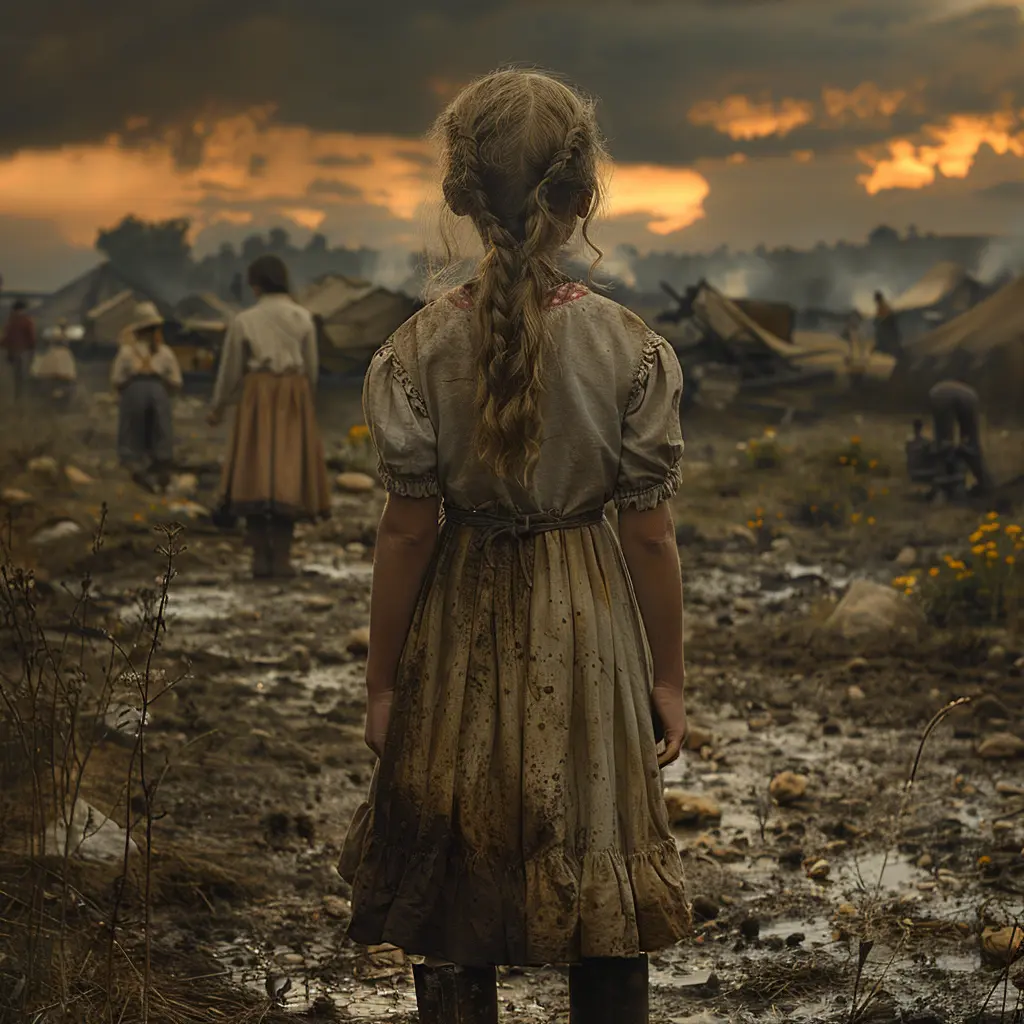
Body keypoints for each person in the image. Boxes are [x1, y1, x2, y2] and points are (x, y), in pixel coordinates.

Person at [338, 69, 691, 1024]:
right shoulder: (630, 348)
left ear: (462, 196)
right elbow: (649, 536)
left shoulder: (415, 351)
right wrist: (667, 678)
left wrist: (382, 686)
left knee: (456, 864)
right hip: (591, 625)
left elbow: (407, 531)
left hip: (461, 619)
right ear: (582, 199)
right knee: (602, 850)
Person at [208, 255, 330, 579]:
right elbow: (311, 369)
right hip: (294, 394)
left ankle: (259, 559)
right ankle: (283, 560)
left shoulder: (244, 320)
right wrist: (306, 401)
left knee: (254, 474)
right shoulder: (303, 317)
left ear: (255, 284)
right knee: (288, 475)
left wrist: (218, 405)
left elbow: (230, 370)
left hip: (257, 397)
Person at [111, 302, 182, 491]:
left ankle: (137, 468)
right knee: (160, 430)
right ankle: (160, 469)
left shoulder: (126, 352)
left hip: (133, 394)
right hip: (159, 393)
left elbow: (117, 379)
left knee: (132, 430)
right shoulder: (166, 353)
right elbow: (176, 381)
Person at [928, 379, 993, 494]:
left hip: (942, 396)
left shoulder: (935, 394)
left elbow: (940, 437)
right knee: (971, 445)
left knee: (944, 444)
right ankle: (984, 482)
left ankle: (946, 482)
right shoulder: (969, 394)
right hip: (968, 397)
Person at [30, 318, 78, 407]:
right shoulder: (57, 333)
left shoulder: (64, 334)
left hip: (61, 355)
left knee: (63, 371)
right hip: (58, 354)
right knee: (60, 370)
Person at [1, 300, 37, 403]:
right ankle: (22, 397)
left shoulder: (10, 321)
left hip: (12, 351)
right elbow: (31, 338)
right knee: (24, 375)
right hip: (23, 351)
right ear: (23, 309)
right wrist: (32, 349)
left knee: (15, 375)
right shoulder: (27, 321)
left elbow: (6, 338)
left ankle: (16, 397)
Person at [873, 290, 901, 355]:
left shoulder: (883, 305)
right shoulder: (881, 305)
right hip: (887, 323)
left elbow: (885, 314)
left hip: (888, 323)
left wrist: (880, 321)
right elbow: (879, 315)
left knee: (881, 332)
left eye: (877, 299)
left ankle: (884, 347)